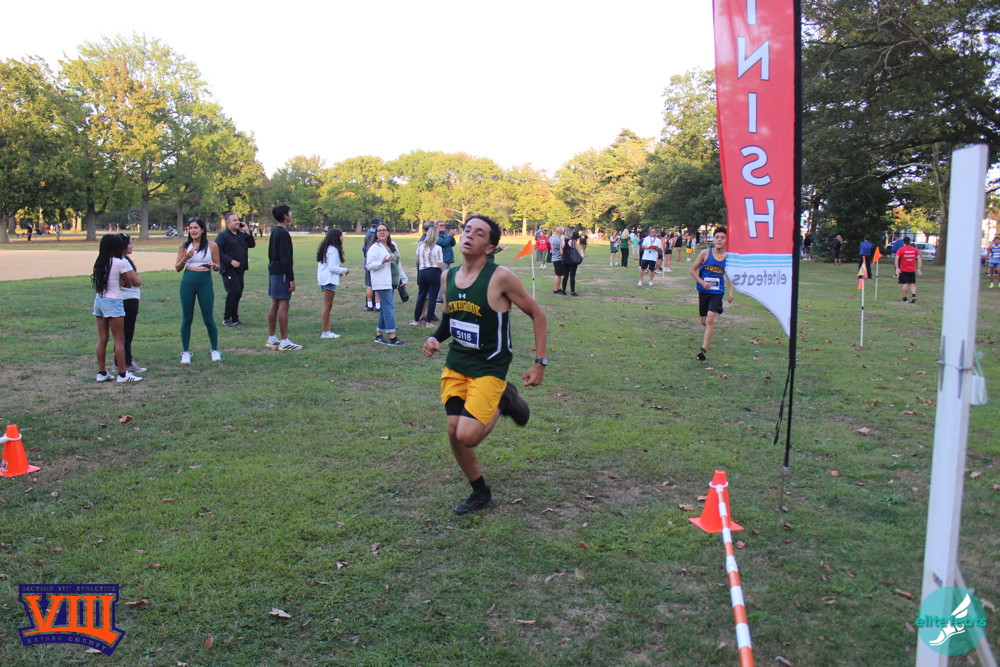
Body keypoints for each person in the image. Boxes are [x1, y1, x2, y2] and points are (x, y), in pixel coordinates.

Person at [422, 215, 547, 514]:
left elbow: (537, 314)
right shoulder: (447, 277)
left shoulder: (500, 277)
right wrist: (435, 338)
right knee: (454, 431)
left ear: (490, 247)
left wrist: (539, 363)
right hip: (457, 363)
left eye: (479, 233)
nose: (469, 236)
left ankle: (503, 400)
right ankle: (480, 492)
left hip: (490, 366)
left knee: (468, 436)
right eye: (467, 230)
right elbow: (450, 321)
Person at [92, 234, 143, 383]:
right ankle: (122, 374)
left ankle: (102, 372)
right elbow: (128, 283)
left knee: (102, 339)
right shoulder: (119, 262)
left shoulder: (100, 262)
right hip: (113, 301)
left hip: (99, 300)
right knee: (119, 339)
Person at [175, 216, 222, 364]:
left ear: (202, 229)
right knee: (187, 318)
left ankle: (215, 350)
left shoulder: (212, 246)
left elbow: (218, 266)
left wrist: (213, 266)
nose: (193, 231)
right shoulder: (184, 246)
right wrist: (186, 257)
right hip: (188, 282)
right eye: (191, 228)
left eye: (196, 227)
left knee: (208, 318)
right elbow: (177, 268)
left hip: (205, 282)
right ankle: (185, 352)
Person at [690, 227, 734, 362]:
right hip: (703, 291)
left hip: (717, 292)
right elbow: (692, 270)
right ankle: (719, 307)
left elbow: (730, 276)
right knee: (704, 322)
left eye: (722, 238)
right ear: (713, 239)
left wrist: (731, 292)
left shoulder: (729, 258)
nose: (719, 240)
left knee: (710, 320)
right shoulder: (705, 253)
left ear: (727, 240)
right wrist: (702, 282)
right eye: (717, 237)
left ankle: (703, 350)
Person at [265, 204, 303, 351]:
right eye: (289, 213)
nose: (290, 214)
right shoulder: (283, 233)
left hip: (274, 270)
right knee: (283, 305)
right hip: (282, 272)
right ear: (285, 216)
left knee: (274, 303)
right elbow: (286, 258)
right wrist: (291, 278)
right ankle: (285, 341)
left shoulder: (274, 231)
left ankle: (272, 338)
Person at [365, 221, 406, 345]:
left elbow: (398, 263)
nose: (381, 232)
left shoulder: (393, 245)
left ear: (388, 232)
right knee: (389, 309)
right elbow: (369, 265)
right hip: (382, 282)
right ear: (376, 234)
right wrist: (382, 262)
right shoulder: (374, 248)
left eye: (384, 230)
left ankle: (379, 335)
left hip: (392, 282)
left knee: (384, 309)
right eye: (379, 230)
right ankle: (392, 337)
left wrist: (403, 278)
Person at [215, 212, 256, 327]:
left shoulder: (241, 234)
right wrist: (230, 261)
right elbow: (217, 251)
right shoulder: (223, 235)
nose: (237, 222)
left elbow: (252, 244)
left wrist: (247, 232)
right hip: (229, 269)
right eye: (234, 220)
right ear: (228, 223)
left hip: (240, 269)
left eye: (238, 220)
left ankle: (235, 318)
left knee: (238, 292)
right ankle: (226, 318)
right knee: (233, 292)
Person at [118, 234, 145, 374]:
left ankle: (121, 362)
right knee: (127, 334)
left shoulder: (118, 259)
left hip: (124, 299)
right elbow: (137, 281)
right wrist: (137, 278)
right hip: (129, 299)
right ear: (123, 246)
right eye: (129, 243)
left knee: (122, 334)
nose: (132, 246)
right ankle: (126, 363)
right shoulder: (123, 261)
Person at [316, 228, 349, 338]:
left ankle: (327, 330)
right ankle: (325, 332)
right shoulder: (333, 249)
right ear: (336, 238)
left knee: (328, 306)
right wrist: (345, 270)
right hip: (328, 280)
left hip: (325, 278)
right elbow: (332, 267)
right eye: (341, 236)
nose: (343, 238)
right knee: (328, 306)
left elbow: (327, 266)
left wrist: (339, 273)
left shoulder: (327, 248)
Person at [412, 222, 445, 327]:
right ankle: (428, 321)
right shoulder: (437, 248)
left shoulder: (421, 245)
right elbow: (440, 264)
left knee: (421, 296)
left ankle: (416, 319)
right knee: (432, 298)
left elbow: (417, 259)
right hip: (434, 272)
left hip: (422, 271)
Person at [894, 236, 922, 303]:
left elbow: (896, 259)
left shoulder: (901, 249)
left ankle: (905, 298)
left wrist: (897, 268)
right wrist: (919, 268)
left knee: (905, 283)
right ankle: (913, 296)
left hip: (903, 269)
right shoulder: (914, 249)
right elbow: (919, 259)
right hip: (912, 270)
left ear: (903, 242)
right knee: (912, 283)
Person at [362, 218, 381, 312]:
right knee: (377, 285)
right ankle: (377, 305)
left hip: (367, 262)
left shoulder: (367, 235)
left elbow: (363, 248)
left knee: (369, 285)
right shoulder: (376, 235)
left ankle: (369, 305)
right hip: (376, 262)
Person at [561, 228, 582, 296]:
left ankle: (564, 291)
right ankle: (572, 291)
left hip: (565, 260)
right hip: (572, 260)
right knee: (572, 276)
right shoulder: (573, 242)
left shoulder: (562, 242)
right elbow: (578, 250)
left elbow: (561, 252)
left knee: (565, 276)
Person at [550, 226, 566, 294]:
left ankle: (558, 288)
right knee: (558, 275)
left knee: (559, 274)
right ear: (562, 232)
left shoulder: (552, 238)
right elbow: (562, 248)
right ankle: (556, 289)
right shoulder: (559, 240)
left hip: (554, 257)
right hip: (558, 258)